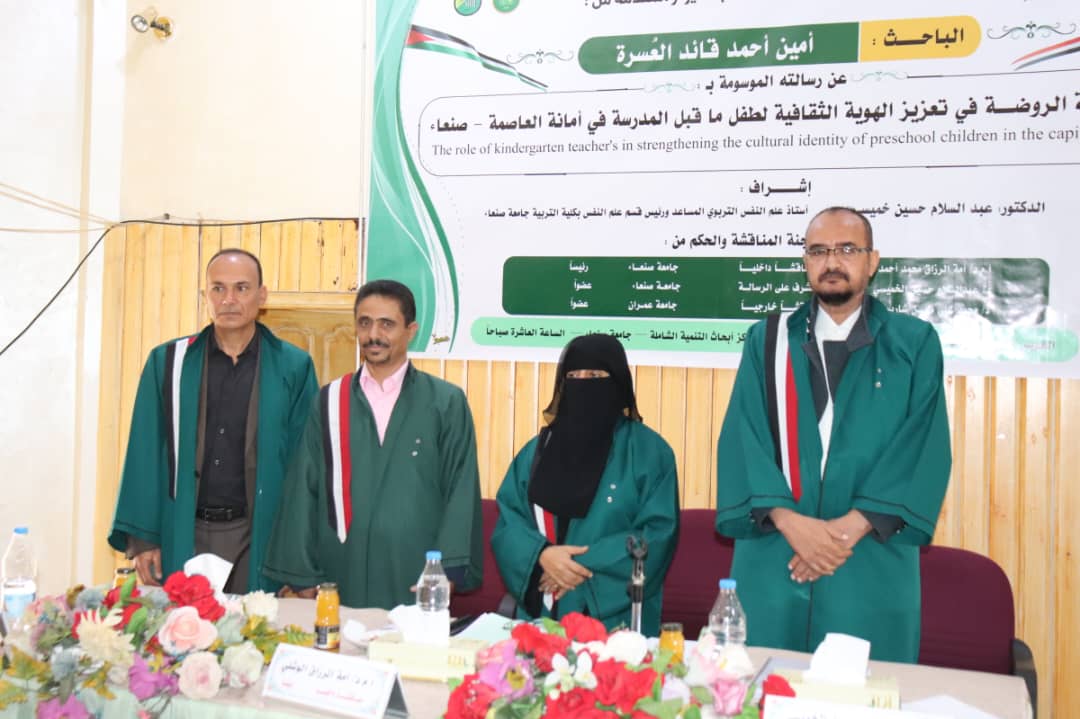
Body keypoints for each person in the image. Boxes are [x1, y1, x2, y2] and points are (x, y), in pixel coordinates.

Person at [715, 207, 951, 662]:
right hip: (777, 552)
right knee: (762, 686)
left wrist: (843, 533)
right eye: (819, 251)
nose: (832, 262)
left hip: (867, 556)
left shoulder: (912, 343)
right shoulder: (767, 341)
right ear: (805, 261)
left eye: (847, 249)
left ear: (872, 260)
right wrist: (793, 525)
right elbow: (744, 439)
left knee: (864, 689)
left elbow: (923, 447)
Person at [108, 249, 319, 593]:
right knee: (182, 623)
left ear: (262, 296)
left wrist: (297, 557)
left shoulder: (293, 367)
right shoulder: (169, 362)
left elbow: (305, 466)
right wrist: (144, 539)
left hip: (259, 532)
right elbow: (144, 450)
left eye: (241, 288)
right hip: (183, 527)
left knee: (255, 624)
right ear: (205, 295)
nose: (229, 299)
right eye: (218, 288)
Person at [262, 279, 483, 608]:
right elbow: (303, 489)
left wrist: (447, 570)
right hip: (340, 571)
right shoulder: (329, 401)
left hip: (415, 572)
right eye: (364, 323)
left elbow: (460, 489)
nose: (373, 334)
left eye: (387, 324)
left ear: (411, 331)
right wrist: (301, 574)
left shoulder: (445, 402)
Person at [491, 334, 679, 636]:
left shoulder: (648, 453)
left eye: (593, 376)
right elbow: (509, 522)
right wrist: (541, 557)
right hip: (543, 614)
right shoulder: (537, 451)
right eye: (573, 376)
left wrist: (574, 566)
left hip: (616, 624)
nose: (582, 384)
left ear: (616, 382)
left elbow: (657, 535)